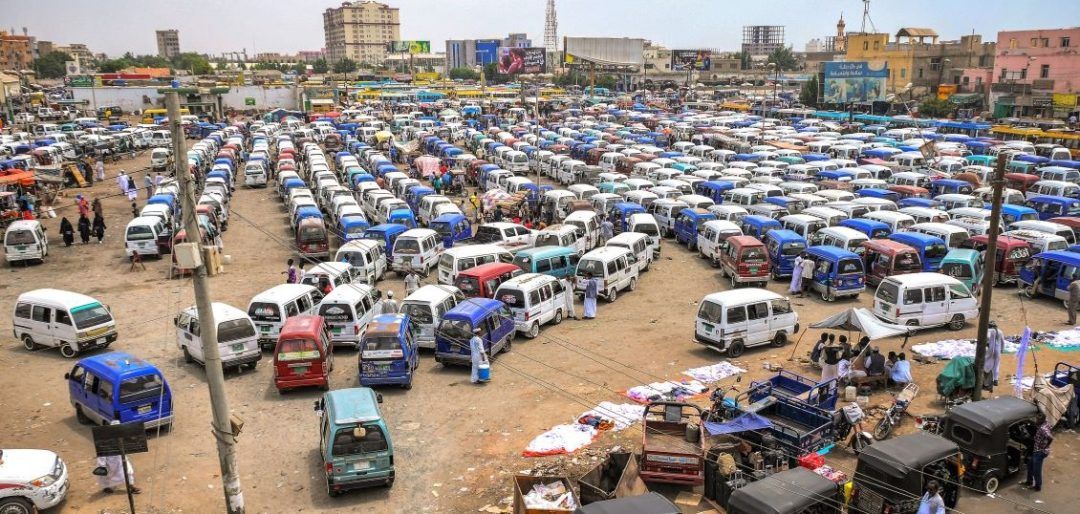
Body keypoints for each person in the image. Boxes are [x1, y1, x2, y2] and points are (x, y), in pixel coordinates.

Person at [1026, 412, 1053, 492]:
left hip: (1040, 451)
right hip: (1037, 450)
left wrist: (1046, 446)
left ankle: (1038, 486)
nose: (1036, 421)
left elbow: (1050, 438)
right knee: (1030, 465)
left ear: (1041, 421)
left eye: (1037, 419)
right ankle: (1029, 481)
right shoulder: (1046, 422)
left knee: (1036, 470)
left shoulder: (1042, 429)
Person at [984, 320, 1005, 391]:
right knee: (996, 365)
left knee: (987, 363)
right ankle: (995, 380)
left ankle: (987, 379)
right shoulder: (1000, 331)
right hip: (998, 351)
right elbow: (1003, 342)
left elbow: (986, 340)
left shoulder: (989, 331)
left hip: (991, 351)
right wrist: (1002, 350)